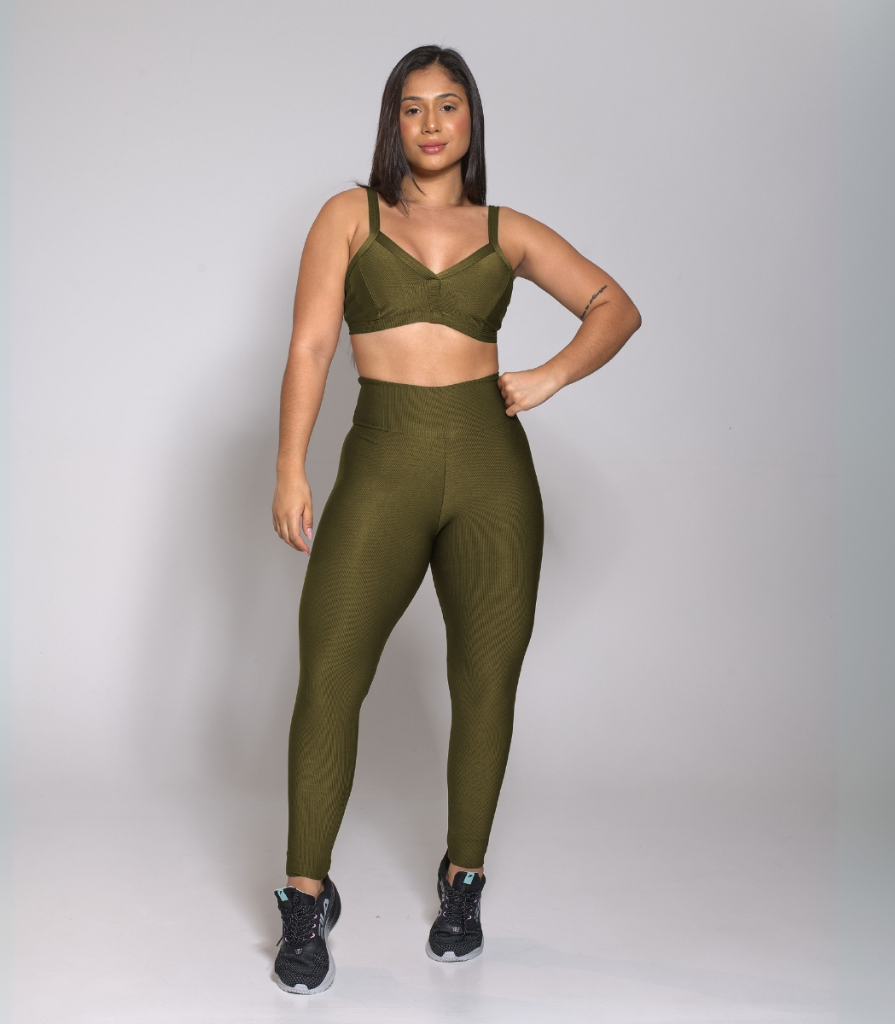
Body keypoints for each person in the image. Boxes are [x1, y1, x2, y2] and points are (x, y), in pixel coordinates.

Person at [269, 44, 641, 994]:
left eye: (448, 105)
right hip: (382, 462)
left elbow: (614, 307)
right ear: (392, 123)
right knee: (329, 675)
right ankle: (305, 899)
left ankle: (463, 882)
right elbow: (311, 346)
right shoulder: (349, 216)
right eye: (412, 107)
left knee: (485, 681)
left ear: (471, 119)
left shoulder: (507, 230)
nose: (431, 124)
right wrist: (290, 466)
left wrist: (551, 374)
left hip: (490, 472)